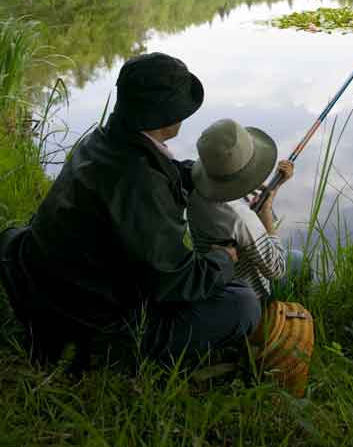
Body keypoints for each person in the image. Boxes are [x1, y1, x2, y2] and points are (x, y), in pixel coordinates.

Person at [0, 53, 261, 367]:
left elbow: (151, 171)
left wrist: (206, 177)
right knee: (242, 303)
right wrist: (223, 259)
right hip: (88, 320)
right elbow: (175, 282)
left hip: (42, 282)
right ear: (167, 115)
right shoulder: (139, 183)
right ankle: (104, 354)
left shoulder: (105, 140)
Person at [187, 118, 294, 301]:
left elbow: (235, 220)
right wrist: (266, 211)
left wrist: (273, 187)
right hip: (252, 295)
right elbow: (277, 269)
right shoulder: (240, 217)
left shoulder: (195, 194)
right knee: (297, 259)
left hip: (219, 285)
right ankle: (280, 305)